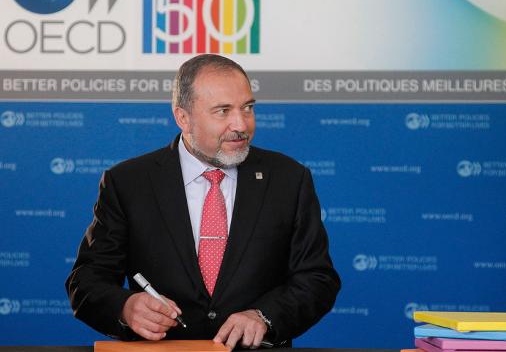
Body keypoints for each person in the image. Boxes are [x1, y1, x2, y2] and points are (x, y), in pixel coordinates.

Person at [65, 54, 340, 348]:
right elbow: (87, 280)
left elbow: (317, 278)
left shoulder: (288, 178)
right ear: (183, 117)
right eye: (223, 111)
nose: (241, 124)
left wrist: (264, 316)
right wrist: (125, 307)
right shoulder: (128, 182)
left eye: (247, 108)